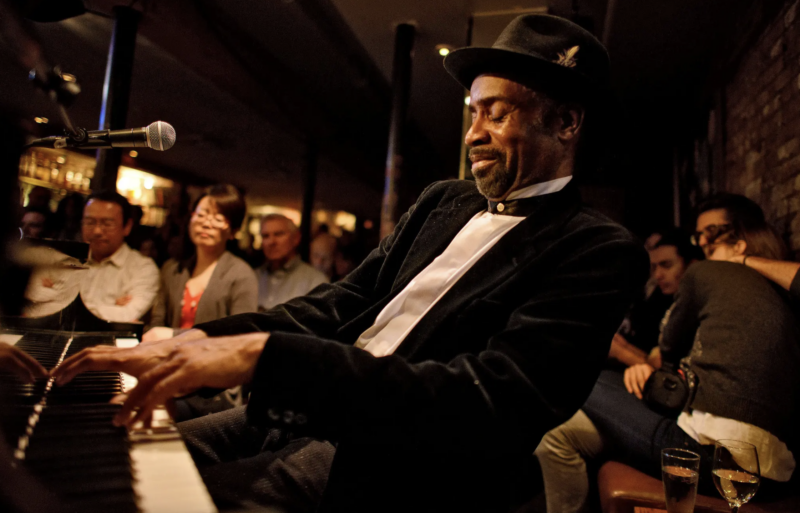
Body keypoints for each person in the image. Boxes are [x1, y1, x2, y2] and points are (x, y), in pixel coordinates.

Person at [53, 15, 648, 512]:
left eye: (496, 114)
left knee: (150, 501)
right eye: (472, 113)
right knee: (114, 456)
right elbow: (337, 304)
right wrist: (187, 341)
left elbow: (484, 402)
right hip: (309, 405)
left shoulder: (596, 249)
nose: (473, 135)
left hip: (401, 463)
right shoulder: (445, 199)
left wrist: (270, 357)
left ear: (567, 122)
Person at [535, 194, 799, 513]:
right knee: (563, 430)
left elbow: (669, 350)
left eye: (711, 239)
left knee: (581, 376)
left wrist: (634, 359)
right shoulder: (783, 296)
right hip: (778, 473)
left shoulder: (709, 274)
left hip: (710, 455)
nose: (701, 243)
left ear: (741, 244)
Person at [147, 184, 258, 339]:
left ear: (233, 231)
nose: (206, 224)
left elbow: (242, 332)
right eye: (201, 215)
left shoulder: (241, 275)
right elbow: (157, 322)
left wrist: (174, 335)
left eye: (218, 218)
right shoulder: (172, 269)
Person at [609, 228, 702, 369]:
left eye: (666, 265)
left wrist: (621, 352)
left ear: (692, 266)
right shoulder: (660, 300)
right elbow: (651, 359)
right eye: (654, 267)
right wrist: (623, 346)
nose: (658, 275)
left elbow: (671, 376)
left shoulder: (698, 309)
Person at [78, 190, 159, 323]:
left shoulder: (143, 268)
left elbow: (128, 315)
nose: (97, 231)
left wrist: (75, 310)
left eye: (107, 224)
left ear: (127, 227)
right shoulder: (69, 262)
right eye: (90, 222)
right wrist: (111, 307)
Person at [255, 214, 328, 311]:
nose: (271, 242)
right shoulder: (253, 276)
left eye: (278, 234)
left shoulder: (315, 281)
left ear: (296, 238)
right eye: (265, 236)